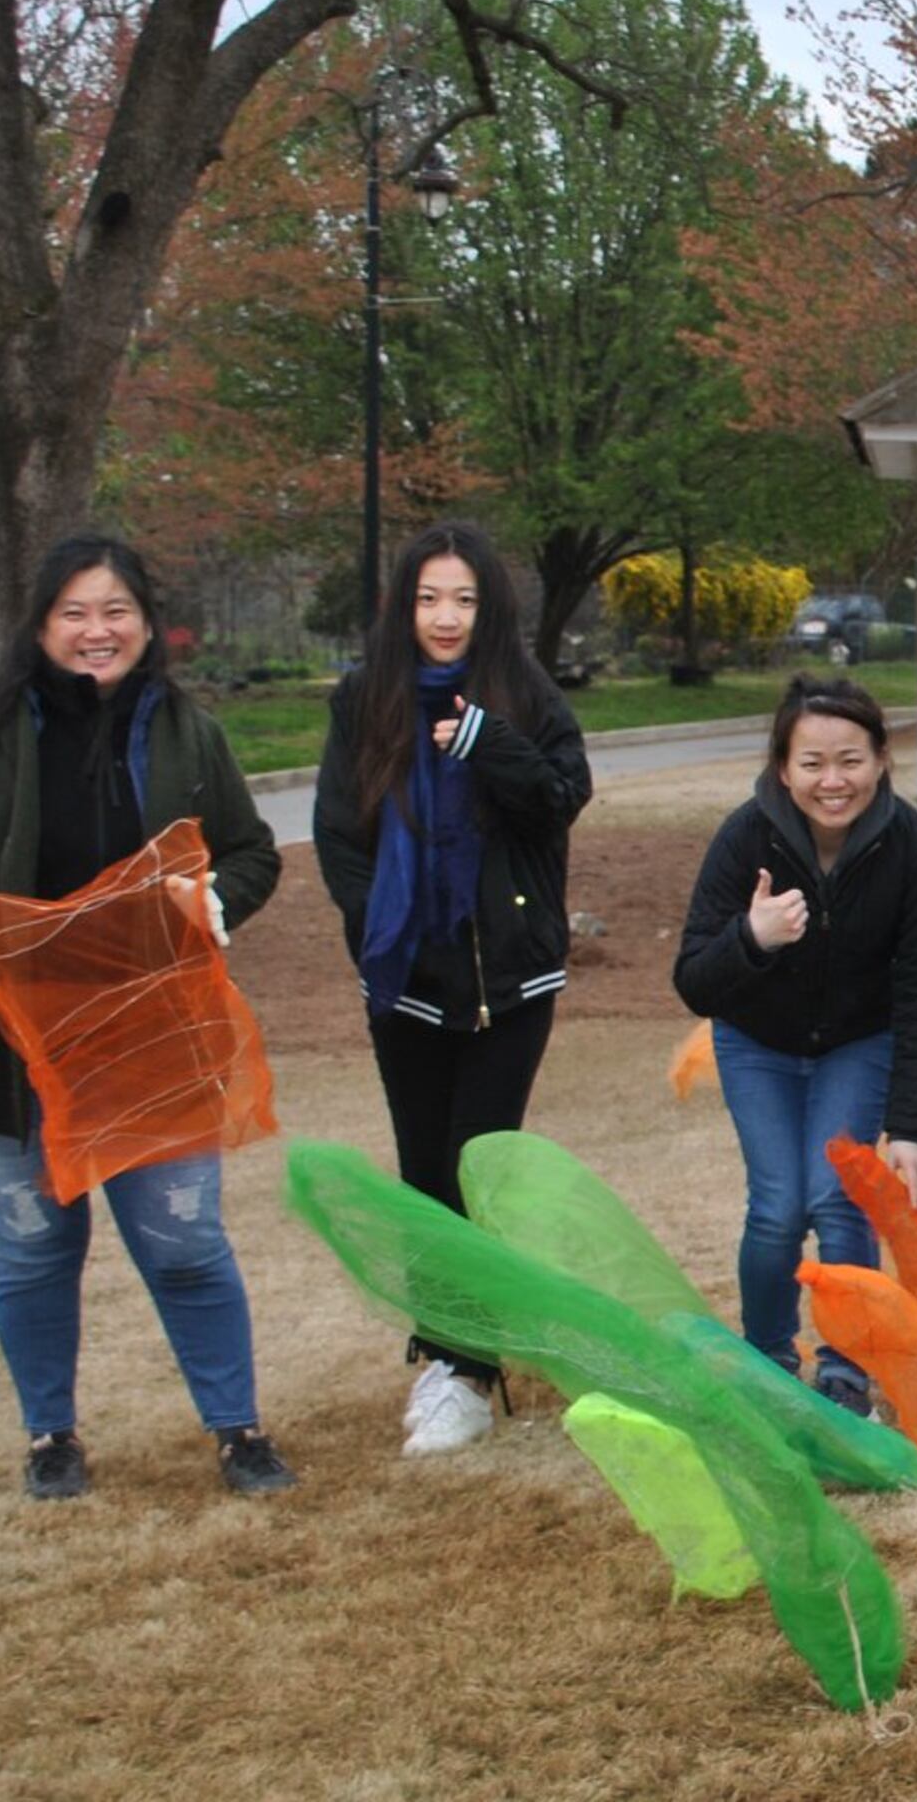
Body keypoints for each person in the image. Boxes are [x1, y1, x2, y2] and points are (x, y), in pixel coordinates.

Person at [0, 535, 295, 1502]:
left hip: (150, 1041)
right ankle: (50, 1438)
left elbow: (251, 852)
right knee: (31, 1250)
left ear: (147, 625)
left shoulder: (188, 735)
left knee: (187, 1245)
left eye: (115, 611)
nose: (95, 631)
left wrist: (215, 902)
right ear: (40, 626)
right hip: (9, 1045)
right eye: (74, 613)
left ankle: (238, 1430)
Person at [310, 521, 592, 1455]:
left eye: (464, 599)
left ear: (490, 607)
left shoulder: (522, 690)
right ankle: (448, 1361)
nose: (445, 617)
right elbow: (340, 834)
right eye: (429, 598)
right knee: (425, 1172)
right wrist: (373, 930)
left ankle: (469, 1362)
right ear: (404, 605)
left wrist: (488, 742)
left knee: (481, 1164)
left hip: (510, 976)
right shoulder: (366, 698)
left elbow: (560, 798)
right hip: (406, 975)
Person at [673, 675, 917, 1415]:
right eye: (812, 763)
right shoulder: (745, 838)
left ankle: (846, 1370)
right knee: (776, 1206)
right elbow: (696, 982)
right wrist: (752, 938)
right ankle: (768, 1360)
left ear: (882, 761)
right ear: (782, 767)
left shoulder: (912, 850)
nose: (833, 781)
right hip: (757, 1043)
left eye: (851, 760)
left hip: (858, 1045)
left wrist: (913, 1128)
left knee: (837, 1199)